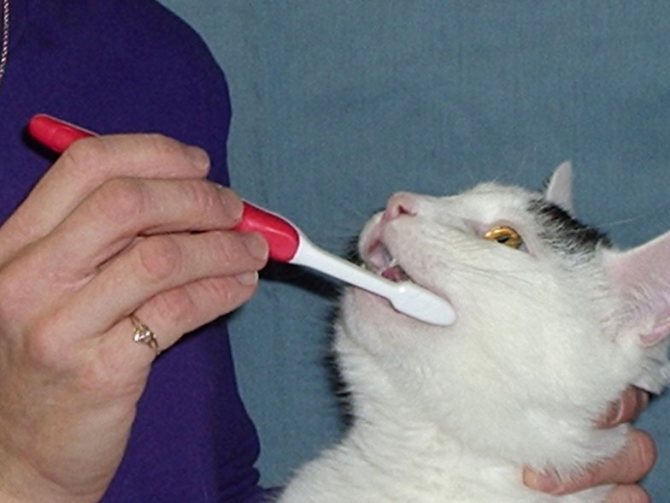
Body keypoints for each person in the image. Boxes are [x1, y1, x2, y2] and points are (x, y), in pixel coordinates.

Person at [0, 1, 656, 501]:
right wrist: (24, 473)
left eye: (503, 239)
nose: (403, 202)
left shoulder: (144, 56)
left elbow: (202, 482)